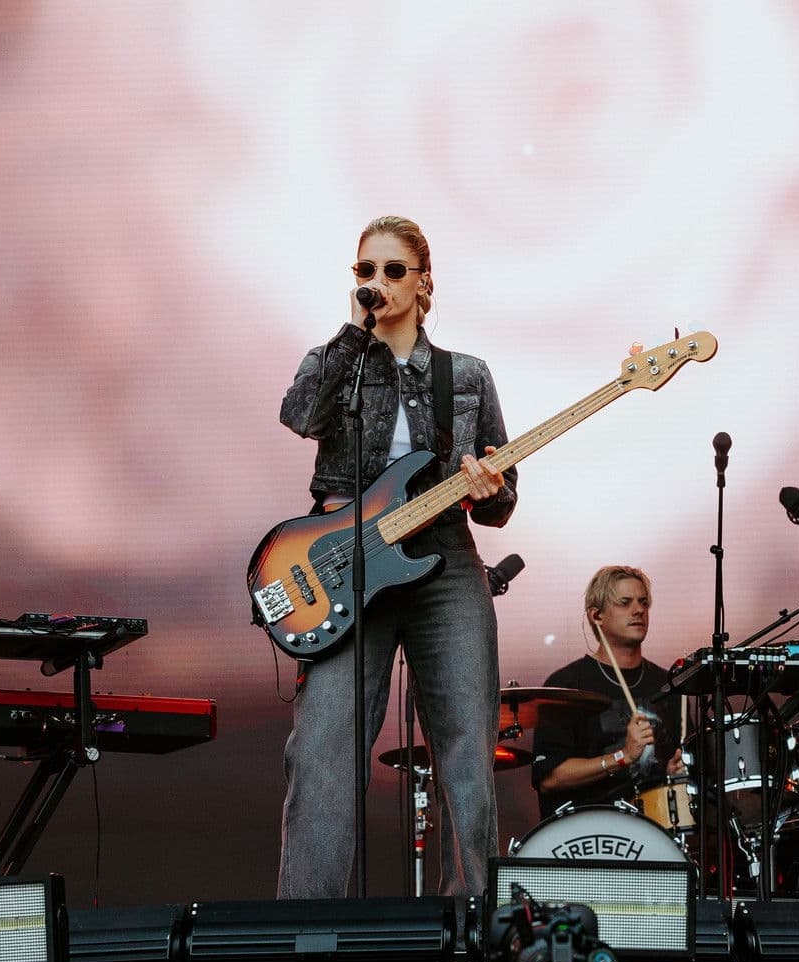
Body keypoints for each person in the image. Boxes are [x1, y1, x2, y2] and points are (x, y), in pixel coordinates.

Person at [277, 215, 516, 898]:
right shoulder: (333, 360)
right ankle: (304, 940)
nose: (374, 282)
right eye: (364, 271)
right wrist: (354, 334)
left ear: (425, 285)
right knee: (323, 753)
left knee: (469, 753)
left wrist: (490, 489)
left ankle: (472, 932)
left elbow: (502, 497)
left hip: (442, 558)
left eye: (390, 271)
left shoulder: (465, 376)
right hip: (346, 561)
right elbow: (302, 418)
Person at [531, 566, 680, 819]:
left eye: (643, 602)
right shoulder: (566, 685)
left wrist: (679, 771)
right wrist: (623, 757)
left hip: (658, 829)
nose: (638, 610)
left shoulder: (670, 684)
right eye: (625, 603)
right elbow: (549, 778)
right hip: (589, 834)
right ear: (597, 615)